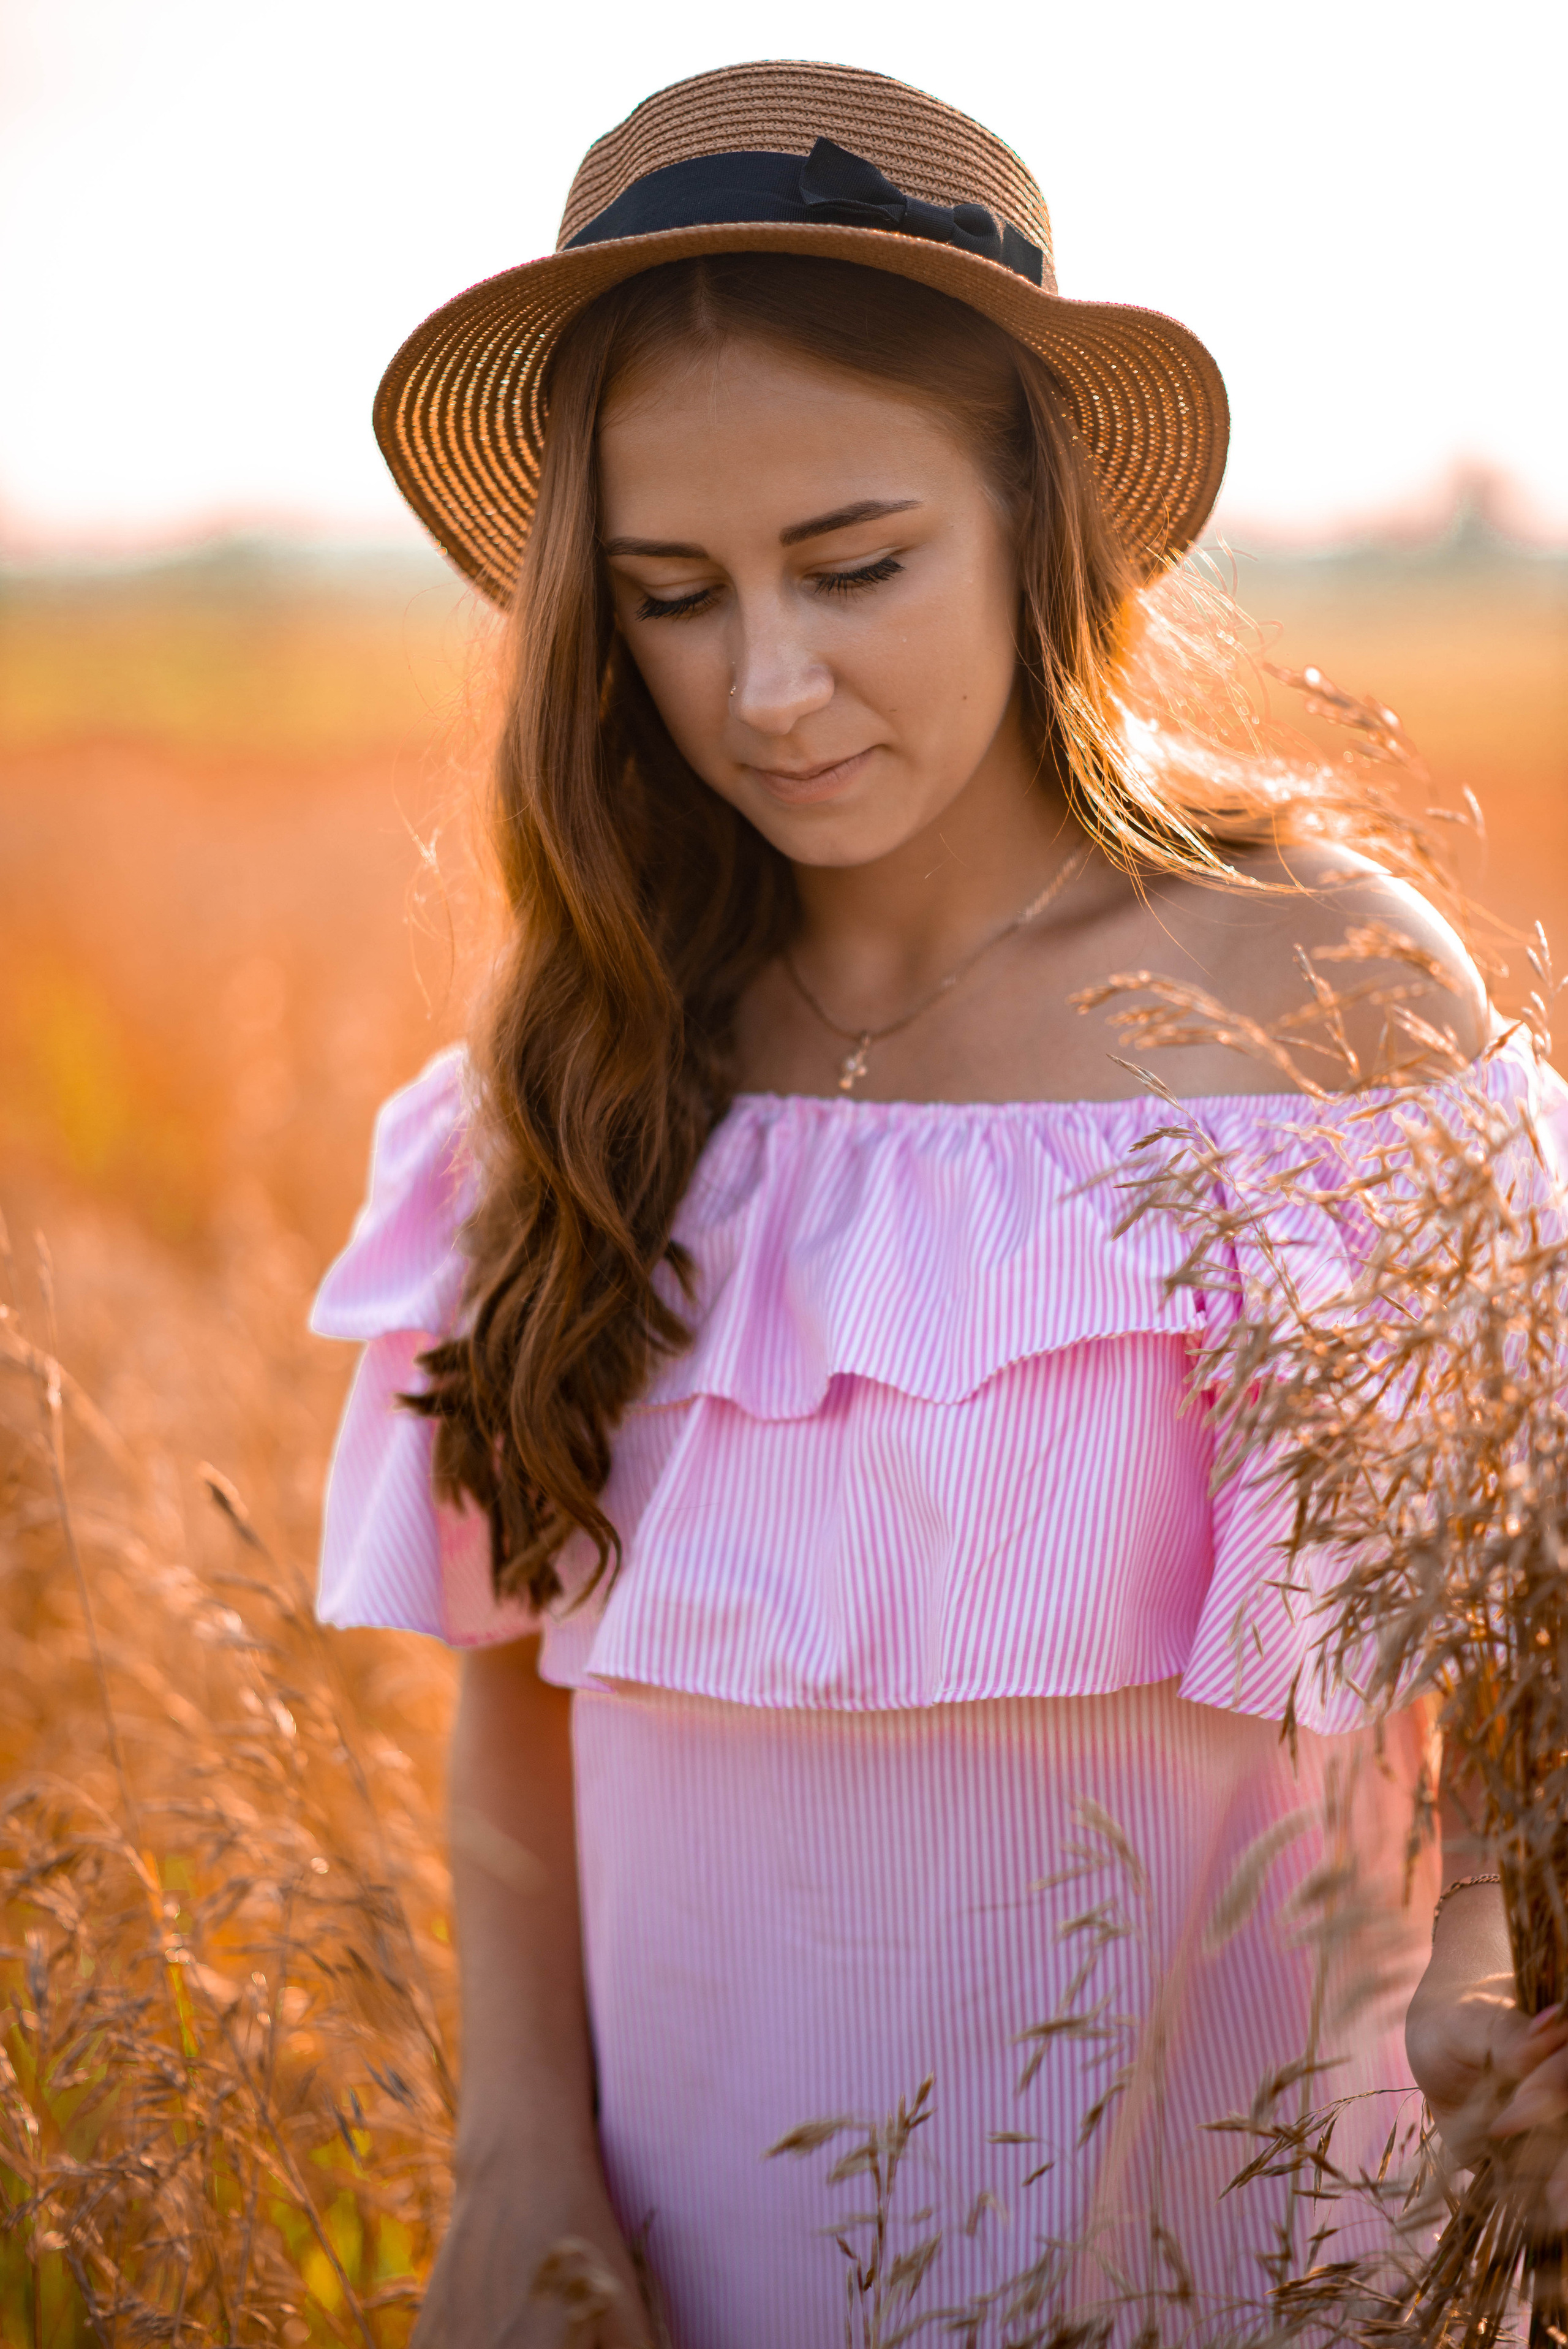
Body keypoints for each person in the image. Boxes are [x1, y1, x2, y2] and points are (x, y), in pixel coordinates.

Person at [311, 60, 1568, 2348]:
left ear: (1038, 516)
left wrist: (1498, 1987)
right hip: (710, 2239)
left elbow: (1503, 1644)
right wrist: (521, 2153)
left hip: (1254, 2229)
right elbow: (521, 1677)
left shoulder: (1321, 1004)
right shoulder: (586, 1053)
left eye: (857, 566)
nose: (767, 691)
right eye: (674, 597)